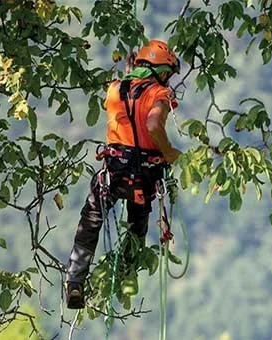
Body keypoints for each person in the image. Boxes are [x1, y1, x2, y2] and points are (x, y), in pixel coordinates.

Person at [65, 40, 183, 309]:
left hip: (114, 173)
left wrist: (131, 70)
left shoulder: (115, 89)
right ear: (161, 71)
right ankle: (128, 278)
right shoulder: (160, 94)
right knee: (137, 224)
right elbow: (152, 124)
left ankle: (75, 281)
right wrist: (169, 152)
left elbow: (131, 99)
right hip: (143, 177)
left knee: (91, 220)